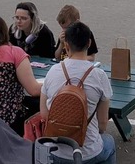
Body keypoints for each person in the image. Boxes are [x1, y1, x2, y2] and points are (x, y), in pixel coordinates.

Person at [40, 22, 115, 164]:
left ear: (66, 45)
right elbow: (103, 124)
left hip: (55, 152)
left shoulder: (52, 72)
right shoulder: (99, 76)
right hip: (88, 152)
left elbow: (44, 115)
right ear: (89, 43)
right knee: (109, 142)